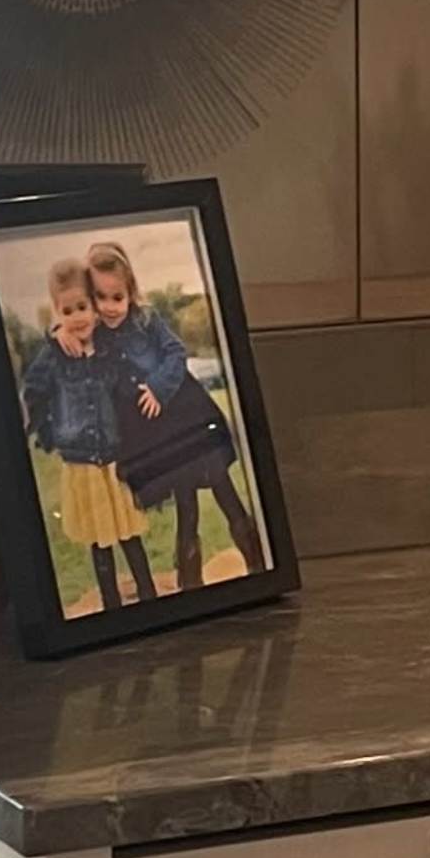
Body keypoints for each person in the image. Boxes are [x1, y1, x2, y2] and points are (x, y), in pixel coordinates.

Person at [86, 239, 265, 596]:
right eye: (100, 297)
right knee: (185, 495)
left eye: (117, 297)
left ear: (130, 292)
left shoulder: (147, 319)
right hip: (161, 433)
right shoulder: (97, 337)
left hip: (186, 413)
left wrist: (157, 386)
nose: (109, 307)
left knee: (219, 481)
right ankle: (190, 581)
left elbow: (175, 352)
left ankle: (257, 563)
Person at [16, 260, 153, 614]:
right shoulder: (54, 355)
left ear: (94, 304)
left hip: (115, 457)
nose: (77, 316)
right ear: (57, 313)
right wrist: (49, 434)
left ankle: (149, 595)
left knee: (129, 532)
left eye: (82, 306)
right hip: (81, 462)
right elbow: (33, 390)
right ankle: (110, 606)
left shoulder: (110, 346)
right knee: (98, 539)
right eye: (67, 310)